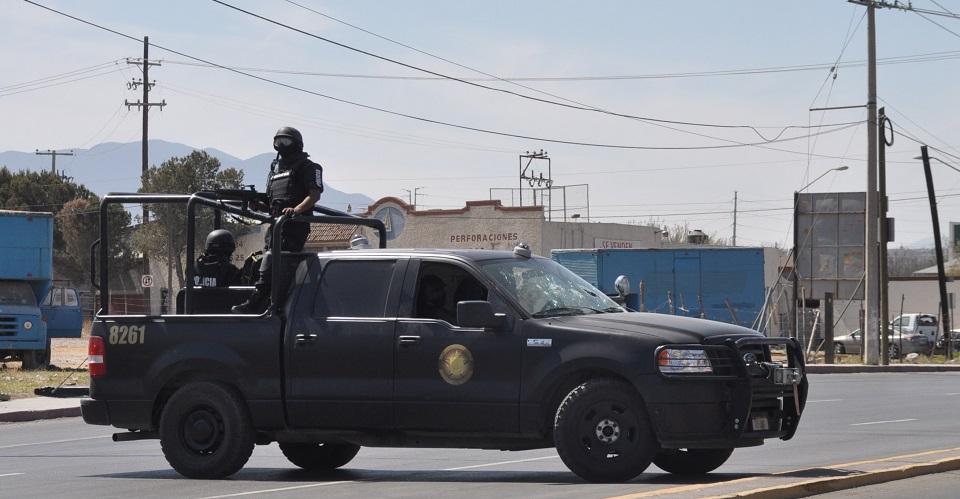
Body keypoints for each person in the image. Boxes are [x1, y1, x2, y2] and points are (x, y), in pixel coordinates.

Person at [232, 126, 323, 313]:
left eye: (285, 141)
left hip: (294, 226)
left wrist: (296, 210)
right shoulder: (276, 170)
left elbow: (314, 195)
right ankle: (264, 302)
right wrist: (258, 206)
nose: (281, 145)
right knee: (265, 261)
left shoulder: (308, 167)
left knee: (276, 262)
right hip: (275, 226)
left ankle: (260, 301)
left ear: (296, 143)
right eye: (278, 141)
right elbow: (272, 202)